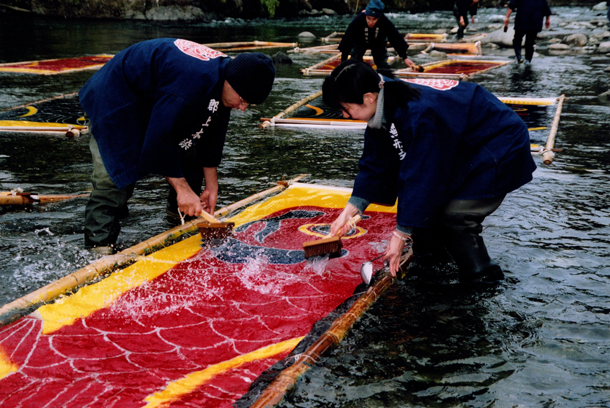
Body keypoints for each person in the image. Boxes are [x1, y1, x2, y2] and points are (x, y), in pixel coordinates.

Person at [323, 60, 536, 285]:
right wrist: (349, 211)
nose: (345, 116)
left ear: (368, 97)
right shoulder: (384, 99)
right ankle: (434, 267)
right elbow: (375, 163)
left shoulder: (419, 113)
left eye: (346, 109)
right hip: (460, 142)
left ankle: (483, 279)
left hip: (496, 143)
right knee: (423, 211)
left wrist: (400, 235)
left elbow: (421, 176)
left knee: (455, 216)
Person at [79, 38, 276, 254]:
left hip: (159, 98)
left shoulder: (226, 79)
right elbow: (159, 139)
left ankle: (179, 224)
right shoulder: (191, 81)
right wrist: (182, 190)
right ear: (232, 82)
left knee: (189, 162)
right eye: (244, 100)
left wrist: (211, 186)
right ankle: (99, 249)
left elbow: (211, 132)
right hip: (117, 98)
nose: (243, 108)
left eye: (249, 104)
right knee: (116, 175)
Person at [338, 0, 418, 71]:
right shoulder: (358, 20)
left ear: (378, 18)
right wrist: (343, 62)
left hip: (378, 42)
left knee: (381, 63)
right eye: (368, 18)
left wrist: (405, 57)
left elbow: (395, 38)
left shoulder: (384, 21)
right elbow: (347, 40)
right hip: (360, 41)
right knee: (354, 61)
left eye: (374, 19)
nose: (371, 22)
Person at [504, 0, 551, 64]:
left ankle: (519, 57)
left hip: (522, 19)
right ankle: (527, 60)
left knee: (517, 39)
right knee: (530, 42)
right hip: (536, 20)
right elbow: (546, 7)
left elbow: (512, 5)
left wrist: (507, 17)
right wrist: (548, 19)